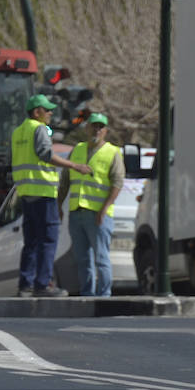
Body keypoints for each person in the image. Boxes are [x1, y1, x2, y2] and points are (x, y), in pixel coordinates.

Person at [10, 93, 91, 297]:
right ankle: (43, 284)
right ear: (37, 112)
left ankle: (25, 284)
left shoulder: (18, 132)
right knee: (48, 239)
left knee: (31, 241)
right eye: (47, 110)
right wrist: (74, 165)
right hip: (43, 191)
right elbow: (46, 154)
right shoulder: (39, 129)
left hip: (25, 193)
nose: (51, 113)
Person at [58, 113, 124, 297]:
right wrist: (59, 205)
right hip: (76, 213)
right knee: (82, 259)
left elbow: (117, 183)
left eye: (101, 127)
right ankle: (87, 295)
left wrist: (104, 208)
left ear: (106, 131)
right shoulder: (77, 149)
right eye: (94, 126)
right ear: (87, 128)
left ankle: (104, 295)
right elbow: (65, 181)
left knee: (101, 258)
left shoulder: (112, 152)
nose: (97, 130)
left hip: (98, 215)